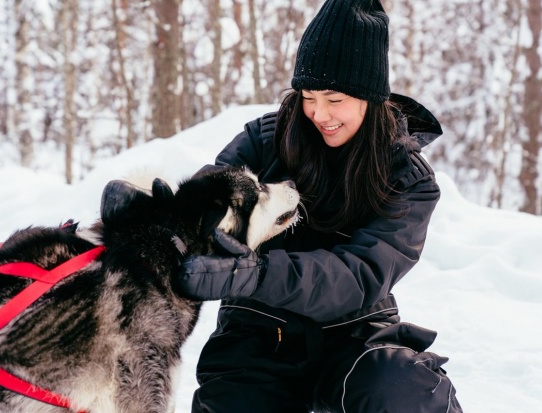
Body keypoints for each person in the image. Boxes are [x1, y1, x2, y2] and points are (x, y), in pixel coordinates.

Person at [176, 0, 464, 411]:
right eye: (309, 96)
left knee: (402, 390)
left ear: (370, 96)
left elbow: (358, 277)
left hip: (354, 334)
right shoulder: (263, 142)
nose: (318, 114)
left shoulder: (407, 178)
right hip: (256, 334)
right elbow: (207, 205)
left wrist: (256, 274)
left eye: (335, 99)